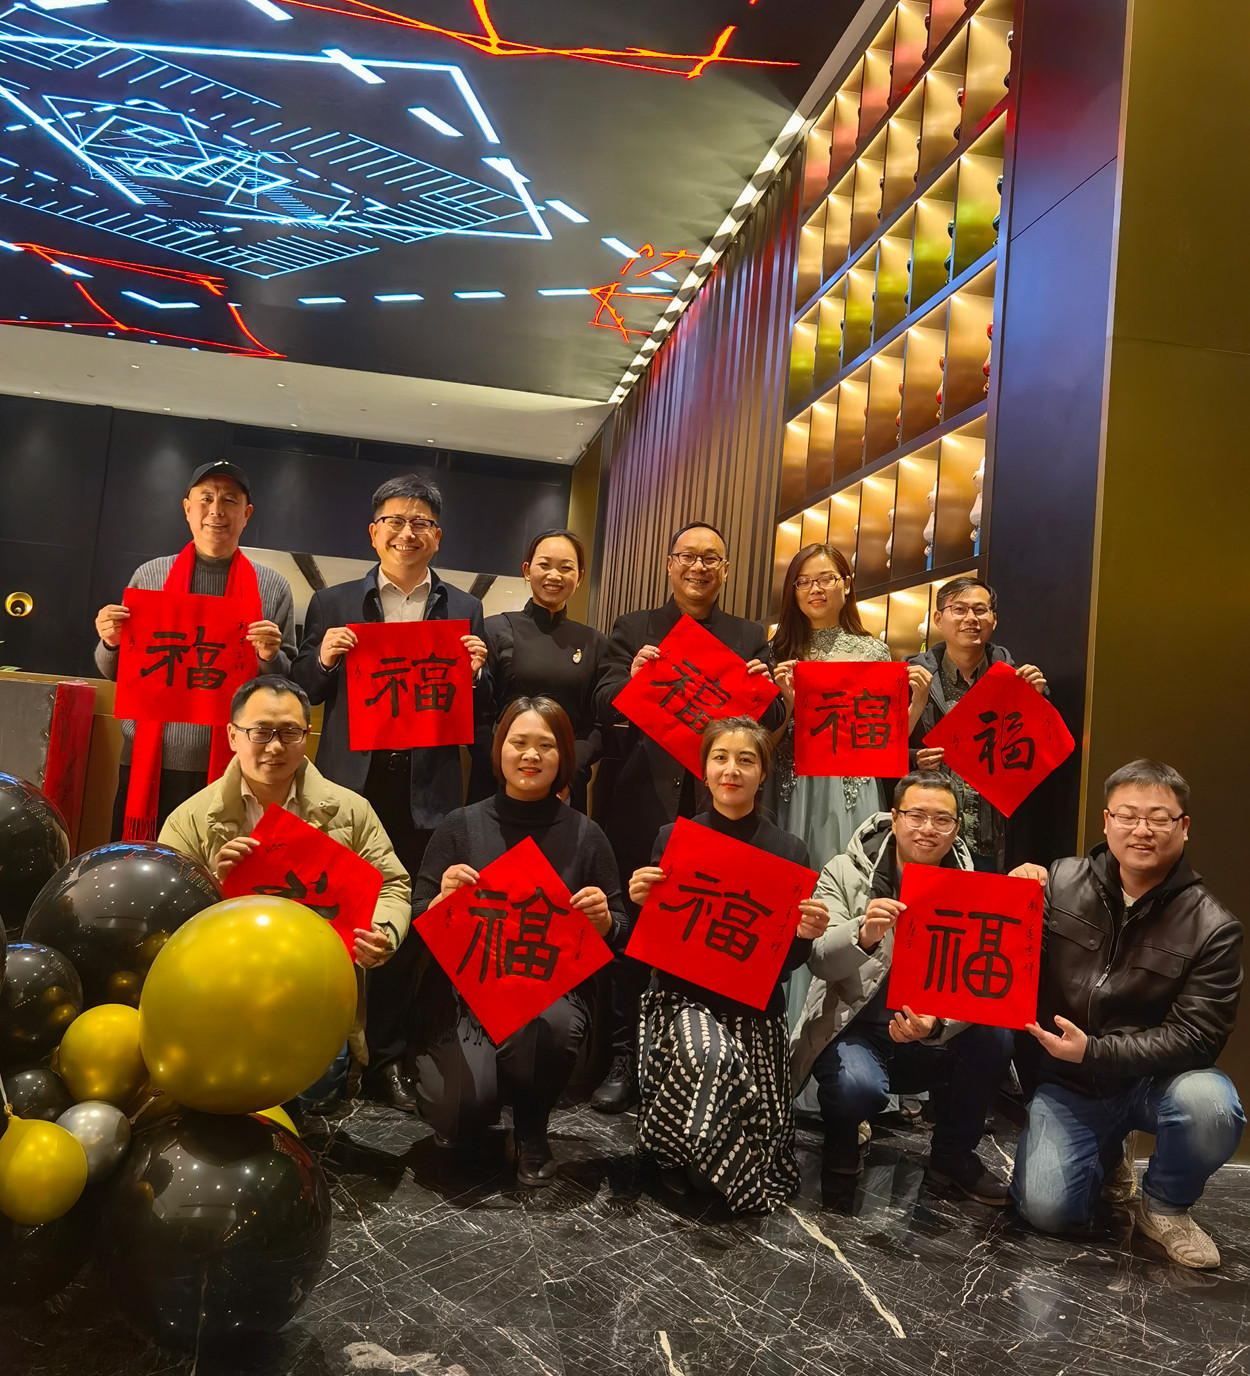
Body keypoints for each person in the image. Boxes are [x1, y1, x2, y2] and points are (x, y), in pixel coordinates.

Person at [290, 475, 491, 1111]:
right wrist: (324, 659)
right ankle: (317, 1056)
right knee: (328, 918)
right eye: (396, 521)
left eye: (421, 522)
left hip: (424, 790)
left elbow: (478, 708)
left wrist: (477, 673)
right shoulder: (332, 602)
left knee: (404, 926)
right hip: (349, 787)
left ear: (439, 536)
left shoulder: (463, 609)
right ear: (373, 532)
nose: (408, 532)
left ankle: (386, 1059)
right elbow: (302, 690)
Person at [1009, 760, 1244, 1268]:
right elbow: (1005, 969)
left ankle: (1165, 1207)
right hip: (1071, 1081)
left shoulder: (1213, 927)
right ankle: (1108, 1151)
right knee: (1046, 1211)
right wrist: (1012, 899)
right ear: (1106, 820)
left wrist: (1095, 1051)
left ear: (1184, 826)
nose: (1142, 830)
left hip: (1152, 1082)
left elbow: (1198, 1038)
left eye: (1159, 818)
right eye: (1128, 815)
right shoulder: (1058, 882)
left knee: (1211, 1106)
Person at [590, 521, 786, 1112]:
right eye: (688, 556)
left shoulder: (749, 636)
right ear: (670, 563)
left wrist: (769, 691)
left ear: (725, 570)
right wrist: (633, 678)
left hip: (717, 811)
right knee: (634, 929)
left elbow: (769, 720)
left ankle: (694, 1056)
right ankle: (625, 1055)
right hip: (640, 803)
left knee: (701, 931)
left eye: (711, 559)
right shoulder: (633, 628)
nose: (699, 567)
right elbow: (602, 700)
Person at [158, 674, 411, 1111]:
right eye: (260, 732)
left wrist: (382, 930)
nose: (274, 747)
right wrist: (215, 885)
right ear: (233, 735)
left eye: (289, 733)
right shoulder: (191, 819)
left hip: (315, 992)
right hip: (223, 992)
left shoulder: (350, 811)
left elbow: (392, 883)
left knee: (315, 1097)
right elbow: (165, 912)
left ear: (306, 737)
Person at [409, 697, 626, 1185]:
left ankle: (532, 1127)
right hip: (467, 996)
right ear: (499, 749)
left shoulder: (586, 835)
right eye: (519, 742)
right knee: (459, 1113)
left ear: (564, 756)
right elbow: (417, 916)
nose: (531, 755)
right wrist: (441, 901)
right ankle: (482, 1093)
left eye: (545, 746)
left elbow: (622, 929)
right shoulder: (461, 824)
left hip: (546, 994)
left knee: (550, 1024)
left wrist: (605, 923)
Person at [628, 717, 829, 1214]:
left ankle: (692, 1153)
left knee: (744, 1169)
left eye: (746, 760)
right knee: (708, 1054)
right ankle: (670, 1152)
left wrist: (804, 936)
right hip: (682, 1001)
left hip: (754, 1010)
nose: (731, 770)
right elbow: (656, 941)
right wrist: (640, 905)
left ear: (763, 774)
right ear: (704, 770)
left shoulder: (790, 850)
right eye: (720, 758)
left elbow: (789, 963)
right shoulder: (674, 837)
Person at [791, 770, 1014, 1202]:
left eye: (942, 819)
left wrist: (938, 1024)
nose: (928, 828)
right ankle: (842, 1138)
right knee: (856, 1087)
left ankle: (953, 1156)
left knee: (996, 1037)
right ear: (894, 818)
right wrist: (862, 935)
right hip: (856, 1029)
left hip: (930, 1035)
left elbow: (984, 988)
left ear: (956, 827)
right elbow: (819, 960)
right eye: (916, 815)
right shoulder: (845, 870)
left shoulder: (976, 886)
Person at [769, 542, 932, 1025]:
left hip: (853, 789)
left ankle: (846, 1023)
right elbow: (766, 739)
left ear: (846, 585)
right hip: (795, 789)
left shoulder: (873, 650)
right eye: (804, 581)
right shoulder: (777, 651)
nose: (815, 589)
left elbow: (886, 741)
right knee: (797, 898)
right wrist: (787, 701)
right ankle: (789, 1025)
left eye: (826, 578)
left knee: (856, 893)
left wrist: (916, 707)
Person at [94, 461, 296, 841]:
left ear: (247, 514)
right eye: (206, 499)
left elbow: (287, 683)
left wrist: (269, 656)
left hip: (235, 764)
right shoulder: (151, 576)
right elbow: (116, 670)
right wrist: (110, 641)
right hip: (150, 763)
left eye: (229, 500)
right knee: (144, 865)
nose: (216, 511)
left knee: (219, 866)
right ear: (187, 508)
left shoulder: (272, 587)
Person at [907, 577, 1048, 870]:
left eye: (980, 610)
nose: (971, 618)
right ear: (938, 619)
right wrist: (913, 759)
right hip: (929, 836)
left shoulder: (1017, 680)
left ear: (993, 620)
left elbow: (1039, 759)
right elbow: (879, 754)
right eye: (959, 609)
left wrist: (1036, 705)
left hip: (992, 838)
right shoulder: (911, 678)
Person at [479, 529, 606, 811]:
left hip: (565, 786)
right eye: (545, 565)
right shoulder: (494, 630)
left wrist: (568, 773)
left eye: (566, 568)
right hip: (499, 781)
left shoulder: (595, 642)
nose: (554, 575)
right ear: (527, 570)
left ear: (580, 577)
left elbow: (597, 724)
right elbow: (480, 715)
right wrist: (505, 767)